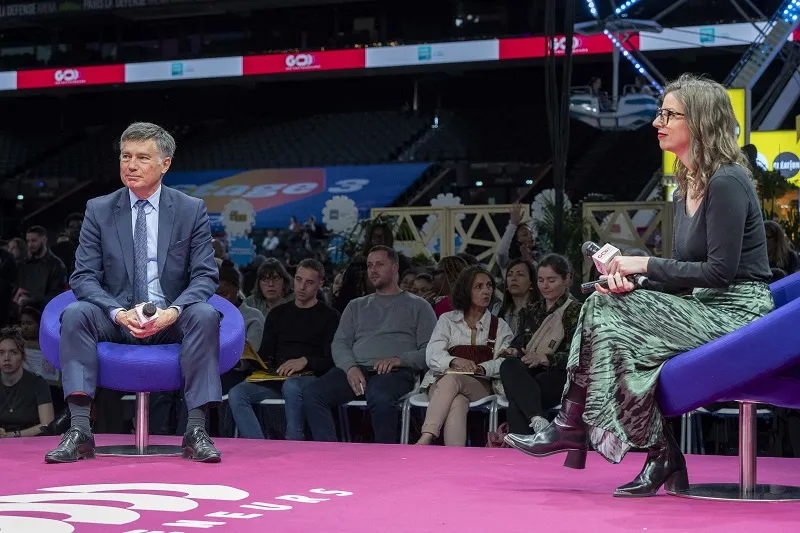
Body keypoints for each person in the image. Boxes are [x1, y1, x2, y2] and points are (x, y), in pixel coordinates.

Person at [504, 74, 775, 497]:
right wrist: (634, 282)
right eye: (660, 112)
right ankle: (611, 438)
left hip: (738, 313)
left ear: (700, 121)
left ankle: (596, 432)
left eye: (669, 114)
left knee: (604, 314)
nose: (657, 122)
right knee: (603, 303)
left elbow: (720, 273)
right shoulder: (687, 184)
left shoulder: (726, 180)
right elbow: (687, 272)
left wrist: (640, 263)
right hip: (703, 305)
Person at [45, 122, 223, 464]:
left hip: (170, 317)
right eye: (126, 156)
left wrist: (174, 311)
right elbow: (83, 276)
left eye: (142, 157)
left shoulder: (190, 209)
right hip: (117, 317)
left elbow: (204, 276)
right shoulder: (99, 209)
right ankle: (80, 430)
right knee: (76, 313)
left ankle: (196, 430)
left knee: (203, 313)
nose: (131, 165)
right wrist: (117, 313)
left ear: (165, 164)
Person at [303, 246, 437, 444]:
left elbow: (431, 351)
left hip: (397, 371)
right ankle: (328, 453)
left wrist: (400, 359)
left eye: (379, 264)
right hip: (357, 369)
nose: (372, 270)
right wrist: (350, 368)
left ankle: (383, 458)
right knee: (313, 393)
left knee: (379, 395)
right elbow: (340, 343)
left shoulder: (419, 306)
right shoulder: (356, 306)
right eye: (369, 265)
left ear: (394, 267)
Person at [228, 259, 340, 440]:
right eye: (298, 279)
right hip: (277, 376)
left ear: (320, 284)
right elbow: (265, 354)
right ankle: (258, 447)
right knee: (237, 393)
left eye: (309, 282)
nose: (302, 286)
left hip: (310, 377)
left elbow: (332, 360)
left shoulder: (330, 316)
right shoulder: (277, 314)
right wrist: (249, 358)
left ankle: (292, 443)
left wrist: (306, 361)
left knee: (292, 385)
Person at [416, 266, 513, 446]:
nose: (486, 291)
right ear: (466, 291)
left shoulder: (499, 326)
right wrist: (454, 361)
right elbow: (432, 354)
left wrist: (482, 367)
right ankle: (456, 460)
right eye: (479, 287)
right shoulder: (447, 320)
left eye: (489, 286)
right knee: (458, 401)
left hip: (480, 385)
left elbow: (505, 362)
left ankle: (426, 436)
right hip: (441, 384)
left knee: (453, 382)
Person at [498, 254, 581, 435]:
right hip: (529, 372)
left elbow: (580, 356)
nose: (545, 286)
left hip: (560, 375)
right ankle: (537, 419)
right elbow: (520, 346)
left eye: (551, 280)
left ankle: (524, 449)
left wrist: (545, 358)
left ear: (566, 279)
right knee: (509, 365)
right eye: (541, 280)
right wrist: (514, 351)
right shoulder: (530, 311)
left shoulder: (576, 311)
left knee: (517, 402)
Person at [0, 327, 54, 438]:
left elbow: (47, 424)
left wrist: (11, 436)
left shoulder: (37, 383)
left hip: (31, 443)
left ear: (22, 355)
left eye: (13, 352)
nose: (6, 358)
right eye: (1, 353)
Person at [493, 258, 539, 334]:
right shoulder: (496, 309)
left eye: (520, 274)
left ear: (531, 282)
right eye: (510, 275)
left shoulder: (539, 313)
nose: (513, 278)